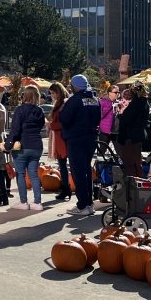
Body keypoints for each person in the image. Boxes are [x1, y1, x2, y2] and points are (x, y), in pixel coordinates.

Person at [61, 74, 101, 216]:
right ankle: (89, 204)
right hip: (91, 138)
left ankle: (82, 205)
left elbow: (64, 118)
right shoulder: (95, 100)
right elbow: (98, 119)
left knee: (78, 172)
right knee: (87, 171)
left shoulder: (75, 100)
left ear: (74, 86)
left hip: (76, 139)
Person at [4, 85, 46, 210]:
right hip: (36, 145)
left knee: (21, 174)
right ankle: (37, 202)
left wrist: (8, 144)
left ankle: (24, 202)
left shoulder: (20, 110)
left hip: (22, 145)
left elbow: (15, 130)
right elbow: (40, 127)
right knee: (33, 174)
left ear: (24, 96)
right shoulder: (39, 111)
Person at [117, 83, 150, 178]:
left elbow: (127, 119)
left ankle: (132, 185)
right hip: (139, 135)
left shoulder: (136, 103)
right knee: (137, 161)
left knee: (129, 163)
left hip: (130, 136)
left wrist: (120, 115)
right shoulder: (145, 102)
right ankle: (138, 182)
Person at [47, 82, 73, 202]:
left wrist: (51, 125)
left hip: (62, 137)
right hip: (58, 136)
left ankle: (66, 188)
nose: (52, 95)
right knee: (62, 164)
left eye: (53, 93)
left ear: (59, 92)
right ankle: (65, 187)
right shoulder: (60, 103)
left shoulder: (63, 104)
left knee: (64, 164)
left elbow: (63, 123)